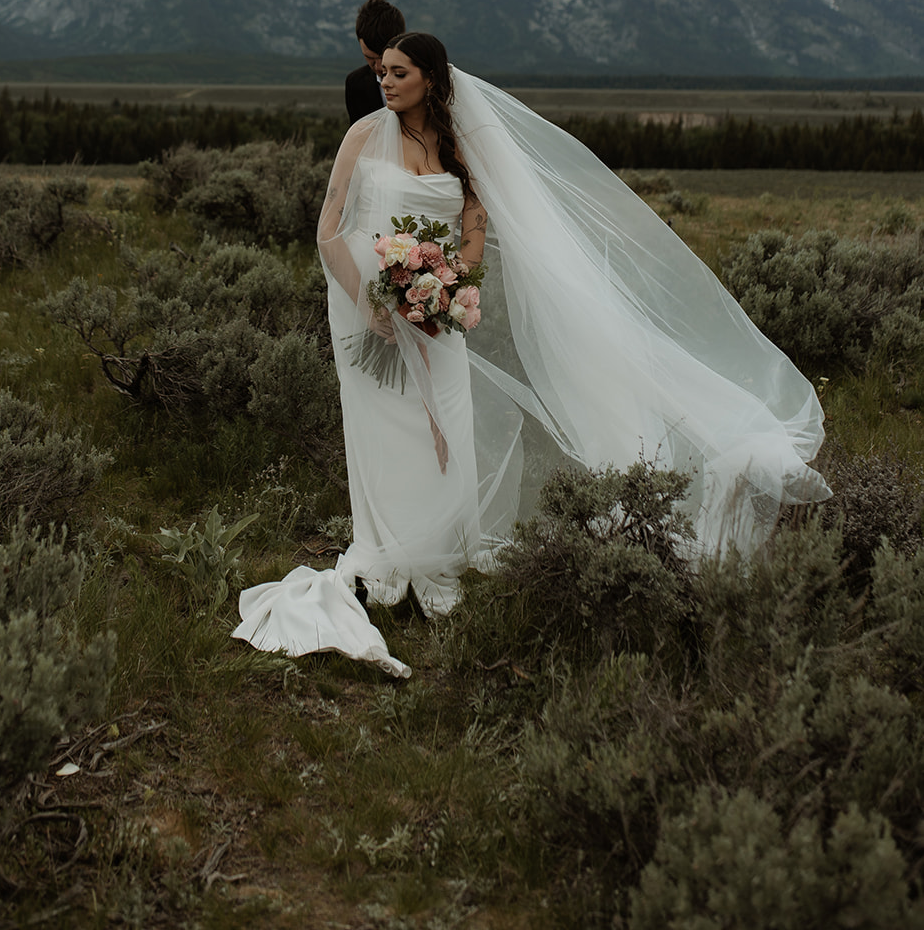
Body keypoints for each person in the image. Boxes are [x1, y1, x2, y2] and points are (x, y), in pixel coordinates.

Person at [234, 34, 831, 678]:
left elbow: (474, 232)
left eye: (399, 74)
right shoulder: (363, 138)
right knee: (386, 432)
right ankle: (388, 555)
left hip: (436, 323)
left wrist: (449, 292)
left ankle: (437, 556)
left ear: (431, 80)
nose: (385, 83)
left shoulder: (459, 148)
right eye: (384, 73)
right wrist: (372, 304)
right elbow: (329, 226)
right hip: (370, 319)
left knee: (445, 435)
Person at [344, 0, 405, 124]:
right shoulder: (355, 83)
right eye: (369, 58)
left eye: (382, 58)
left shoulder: (421, 78)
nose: (378, 66)